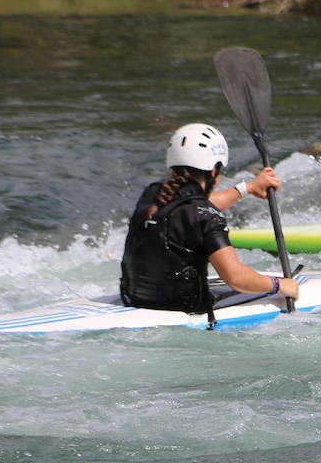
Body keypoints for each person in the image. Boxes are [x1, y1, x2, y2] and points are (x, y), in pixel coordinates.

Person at [119, 122, 298, 319]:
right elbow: (236, 278)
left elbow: (193, 209)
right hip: (183, 309)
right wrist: (279, 285)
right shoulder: (206, 215)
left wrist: (249, 187)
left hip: (134, 300)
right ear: (213, 171)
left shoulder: (153, 194)